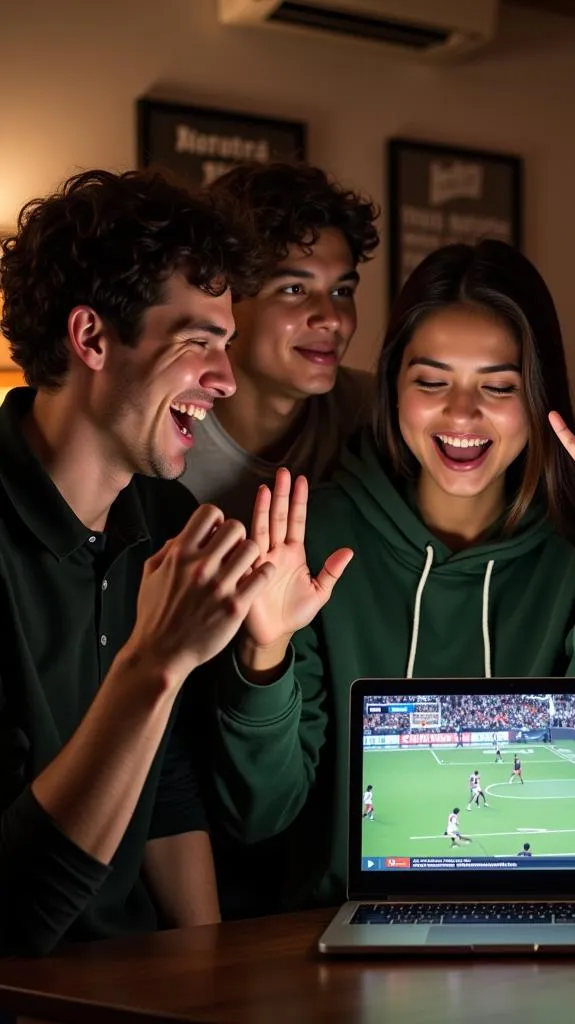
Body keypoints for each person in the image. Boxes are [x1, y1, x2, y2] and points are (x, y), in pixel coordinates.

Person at [208, 239, 575, 910]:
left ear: (537, 394)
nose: (462, 415)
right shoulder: (311, 539)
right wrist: (264, 653)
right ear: (391, 387)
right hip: (337, 928)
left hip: (542, 922)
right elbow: (259, 816)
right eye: (431, 382)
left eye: (498, 387)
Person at [0, 169, 273, 955]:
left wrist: (209, 982)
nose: (224, 380)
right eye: (199, 345)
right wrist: (153, 660)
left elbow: (168, 782)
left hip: (136, 984)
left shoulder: (166, 521)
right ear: (91, 339)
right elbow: (10, 919)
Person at [180, 162, 380, 523]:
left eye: (341, 291)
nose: (331, 318)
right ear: (225, 298)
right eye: (294, 289)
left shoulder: (376, 415)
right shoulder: (161, 431)